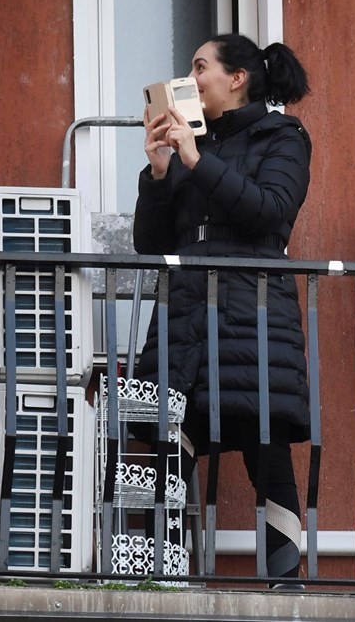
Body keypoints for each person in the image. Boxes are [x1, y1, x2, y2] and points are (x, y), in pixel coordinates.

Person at [133, 33, 312, 584]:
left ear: (237, 78)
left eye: (199, 67)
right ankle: (159, 578)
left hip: (252, 309)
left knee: (265, 441)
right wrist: (161, 169)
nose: (188, 80)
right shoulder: (194, 146)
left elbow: (270, 210)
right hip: (185, 309)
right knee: (169, 435)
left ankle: (286, 588)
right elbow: (151, 241)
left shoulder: (283, 135)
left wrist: (193, 157)